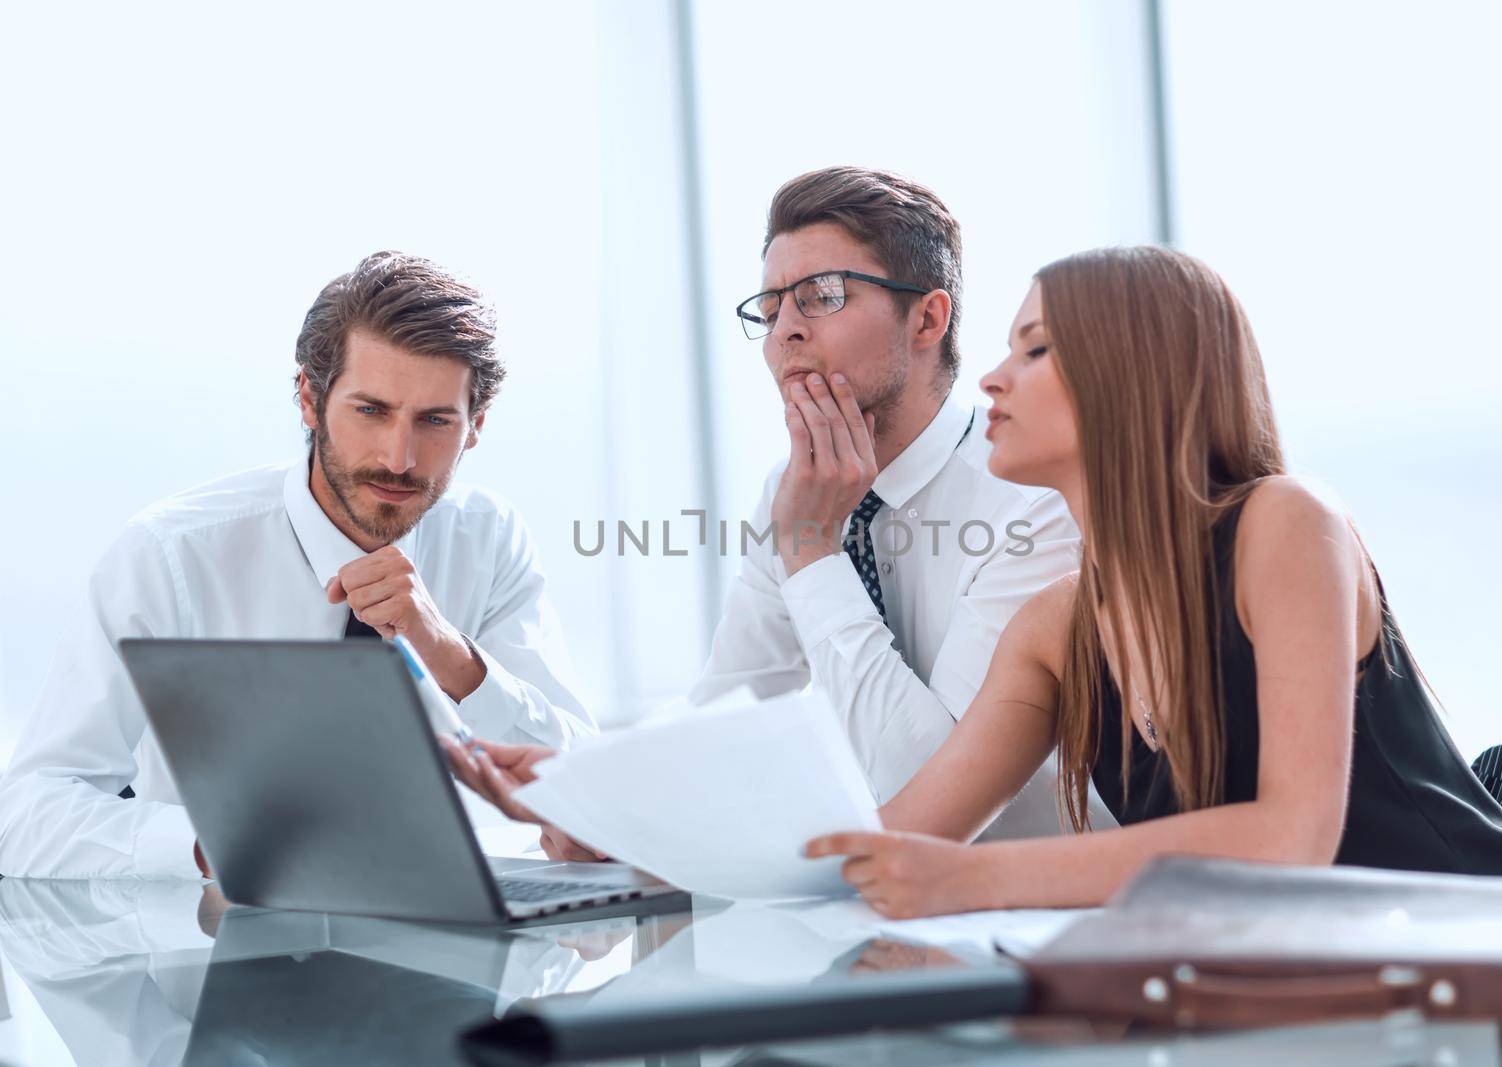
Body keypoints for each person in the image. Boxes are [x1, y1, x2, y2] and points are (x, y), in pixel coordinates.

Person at [799, 246, 1502, 916]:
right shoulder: (1055, 628)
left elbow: (1291, 835)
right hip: (1279, 989)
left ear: (1136, 370)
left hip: (1473, 975)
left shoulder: (1284, 522)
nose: (992, 377)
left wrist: (977, 879)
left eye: (1038, 348)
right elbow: (908, 832)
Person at [448, 166, 1113, 857]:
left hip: (1023, 918)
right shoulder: (796, 490)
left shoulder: (1035, 496)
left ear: (928, 317)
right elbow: (732, 714)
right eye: (769, 311)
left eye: (821, 296)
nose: (784, 333)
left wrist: (812, 553)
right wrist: (597, 799)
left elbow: (936, 792)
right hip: (861, 900)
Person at [0, 251, 594, 879]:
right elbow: (26, 814)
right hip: (222, 945)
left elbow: (587, 791)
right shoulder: (171, 556)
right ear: (310, 399)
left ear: (474, 425)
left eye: (435, 421)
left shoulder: (487, 540)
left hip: (460, 939)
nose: (399, 458)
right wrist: (227, 846)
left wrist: (450, 655)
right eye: (371, 410)